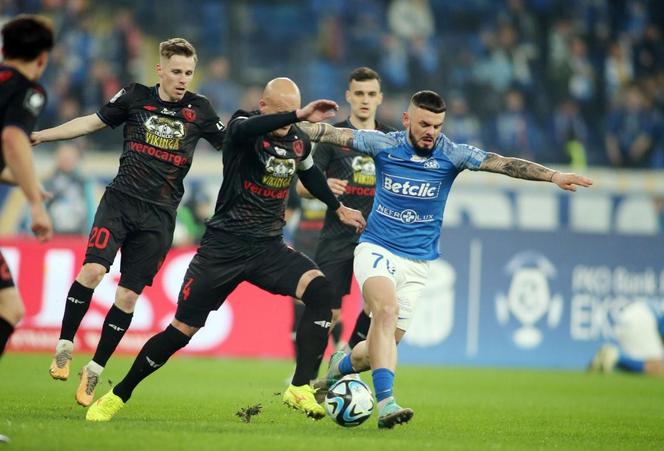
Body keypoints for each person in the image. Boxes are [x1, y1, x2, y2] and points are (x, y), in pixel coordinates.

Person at [297, 90, 593, 428]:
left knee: (381, 345)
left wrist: (553, 176)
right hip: (376, 248)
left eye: (437, 125)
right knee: (386, 310)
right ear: (407, 119)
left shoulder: (452, 154)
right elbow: (334, 134)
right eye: (424, 123)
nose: (430, 132)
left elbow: (503, 164)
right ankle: (387, 404)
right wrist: (290, 122)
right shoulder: (384, 144)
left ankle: (340, 367)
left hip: (418, 262)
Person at [85, 78, 366, 422]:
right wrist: (297, 114)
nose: (288, 123)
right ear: (263, 107)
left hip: (268, 248)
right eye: (281, 113)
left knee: (321, 291)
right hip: (222, 249)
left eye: (292, 116)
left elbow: (311, 177)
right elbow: (257, 126)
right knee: (180, 333)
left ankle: (300, 386)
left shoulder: (297, 142)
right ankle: (119, 394)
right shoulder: (241, 127)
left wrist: (337, 207)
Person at [31, 38, 226, 407]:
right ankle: (64, 346)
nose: (183, 79)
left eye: (188, 72)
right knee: (92, 271)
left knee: (128, 295)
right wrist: (44, 134)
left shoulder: (200, 110)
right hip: (119, 202)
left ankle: (94, 371)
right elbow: (92, 122)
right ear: (160, 69)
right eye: (176, 71)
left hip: (159, 216)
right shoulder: (136, 95)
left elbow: (231, 146)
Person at [295, 67, 395, 380]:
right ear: (349, 96)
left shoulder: (392, 141)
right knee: (329, 310)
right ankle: (306, 378)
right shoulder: (333, 136)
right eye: (359, 94)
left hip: (376, 237)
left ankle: (343, 372)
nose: (365, 100)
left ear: (379, 98)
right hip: (337, 235)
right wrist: (323, 185)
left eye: (371, 94)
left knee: (376, 307)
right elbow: (299, 185)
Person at [0, 14, 55, 359]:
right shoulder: (27, 90)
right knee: (9, 308)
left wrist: (28, 182)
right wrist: (35, 203)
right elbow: (12, 138)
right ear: (43, 58)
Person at [589, 301, 664, 376]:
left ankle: (614, 358)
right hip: (643, 318)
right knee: (658, 367)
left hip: (628, 317)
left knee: (647, 366)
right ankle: (615, 357)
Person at [42, 142, 95, 235]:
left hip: (78, 234)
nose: (66, 161)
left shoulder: (83, 182)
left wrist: (89, 234)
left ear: (76, 159)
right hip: (53, 235)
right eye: (63, 158)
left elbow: (90, 209)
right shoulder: (48, 182)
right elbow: (41, 209)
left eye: (69, 158)